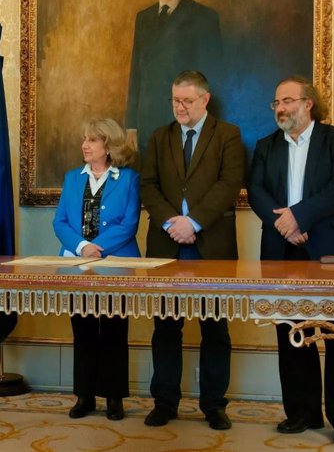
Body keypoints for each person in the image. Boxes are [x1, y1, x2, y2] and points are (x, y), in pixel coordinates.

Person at [248, 75, 334, 445]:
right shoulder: (266, 146)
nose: (279, 108)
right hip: (283, 249)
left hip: (330, 250)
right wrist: (285, 225)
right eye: (276, 103)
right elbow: (257, 191)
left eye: (286, 101)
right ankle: (301, 412)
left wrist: (298, 216)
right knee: (293, 335)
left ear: (307, 104)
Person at [141, 70, 244, 429]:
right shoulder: (159, 137)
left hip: (211, 246)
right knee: (165, 327)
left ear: (205, 99)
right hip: (166, 246)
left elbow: (229, 183)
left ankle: (214, 405)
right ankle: (165, 402)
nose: (179, 107)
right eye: (174, 100)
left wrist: (194, 222)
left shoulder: (228, 135)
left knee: (215, 328)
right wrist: (173, 222)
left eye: (186, 101)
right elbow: (149, 186)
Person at [53, 118, 140, 421]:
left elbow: (129, 225)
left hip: (117, 266)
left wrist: (97, 248)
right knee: (84, 329)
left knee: (115, 330)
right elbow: (60, 222)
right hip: (78, 266)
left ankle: (114, 398)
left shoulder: (128, 179)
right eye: (84, 139)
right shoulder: (72, 178)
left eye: (92, 140)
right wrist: (82, 248)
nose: (85, 145)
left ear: (109, 145)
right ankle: (84, 396)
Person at [126, 0, 223, 157]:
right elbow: (137, 73)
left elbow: (213, 80)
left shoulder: (204, 18)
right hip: (147, 124)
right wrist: (131, 125)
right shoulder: (144, 18)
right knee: (150, 186)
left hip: (186, 122)